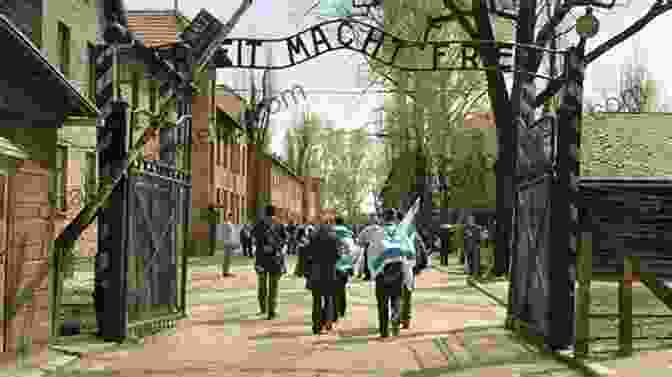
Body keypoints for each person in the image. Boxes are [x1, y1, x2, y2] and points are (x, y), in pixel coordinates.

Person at [358, 208, 404, 339]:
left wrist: (374, 271)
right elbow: (408, 252)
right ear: (395, 218)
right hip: (398, 269)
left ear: (383, 218)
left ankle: (384, 331)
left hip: (383, 270)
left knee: (382, 302)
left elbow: (372, 253)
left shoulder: (378, 233)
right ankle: (396, 321)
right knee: (397, 299)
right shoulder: (401, 232)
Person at [304, 220, 342, 334]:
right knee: (328, 298)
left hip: (316, 271)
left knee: (316, 300)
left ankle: (316, 325)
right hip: (329, 271)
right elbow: (338, 255)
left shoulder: (313, 238)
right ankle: (327, 322)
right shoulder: (334, 238)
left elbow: (307, 254)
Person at [251, 205, 285, 319]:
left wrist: (262, 245)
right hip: (275, 258)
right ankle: (271, 311)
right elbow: (285, 239)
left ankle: (263, 308)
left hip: (261, 259)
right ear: (274, 213)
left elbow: (253, 237)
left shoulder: (259, 224)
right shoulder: (279, 224)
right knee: (273, 286)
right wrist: (276, 247)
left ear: (265, 213)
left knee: (262, 285)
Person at [333, 216, 355, 323]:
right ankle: (342, 310)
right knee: (342, 289)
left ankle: (334, 312)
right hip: (345, 265)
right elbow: (352, 252)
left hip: (333, 265)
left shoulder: (331, 233)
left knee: (333, 290)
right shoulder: (349, 235)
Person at [221, 213, 239, 278]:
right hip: (228, 243)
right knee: (227, 258)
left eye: (231, 217)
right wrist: (230, 242)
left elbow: (232, 234)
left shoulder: (230, 224)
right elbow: (226, 235)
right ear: (227, 217)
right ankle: (225, 272)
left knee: (229, 258)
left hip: (230, 243)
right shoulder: (226, 224)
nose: (231, 218)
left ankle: (226, 271)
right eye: (229, 217)